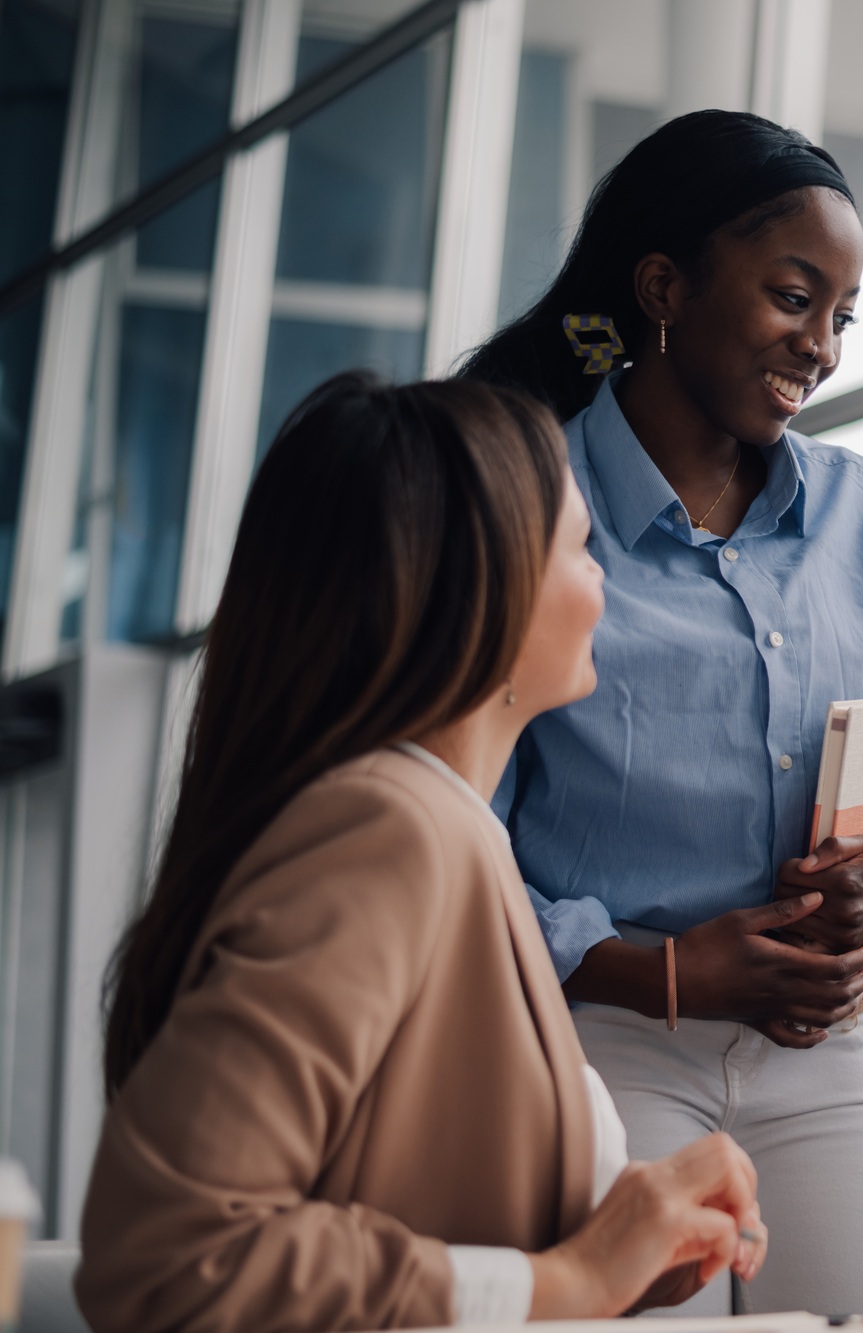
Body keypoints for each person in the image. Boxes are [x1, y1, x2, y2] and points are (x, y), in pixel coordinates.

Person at [459, 110, 863, 1315]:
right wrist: (654, 969)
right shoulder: (526, 513)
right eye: (791, 297)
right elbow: (460, 836)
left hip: (828, 1049)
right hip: (600, 1041)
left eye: (842, 315)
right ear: (663, 287)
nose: (820, 346)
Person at [77, 375, 769, 1332]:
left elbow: (428, 1205)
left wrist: (628, 1246)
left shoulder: (454, 829)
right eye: (577, 544)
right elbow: (170, 1258)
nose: (604, 574)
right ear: (477, 586)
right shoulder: (390, 829)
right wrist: (570, 1282)